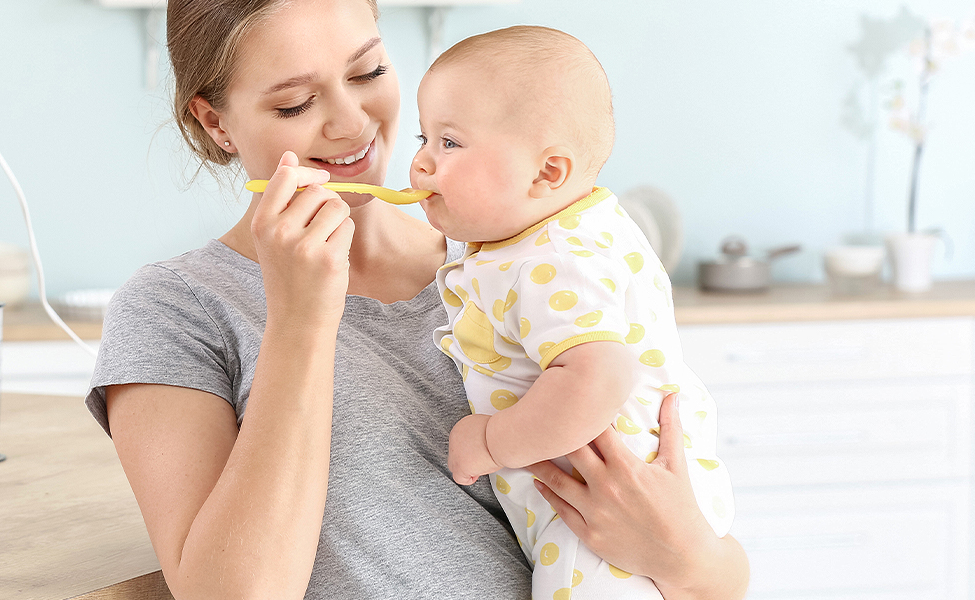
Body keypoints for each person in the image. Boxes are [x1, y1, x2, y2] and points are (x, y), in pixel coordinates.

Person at [84, 1, 750, 598]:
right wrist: (300, 317)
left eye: (368, 71)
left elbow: (718, 573)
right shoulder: (177, 309)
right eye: (294, 104)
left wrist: (686, 556)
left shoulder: (525, 266)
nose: (351, 123)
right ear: (215, 121)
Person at [411, 26, 735, 599]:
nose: (421, 164)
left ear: (547, 174)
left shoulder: (555, 260)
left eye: (450, 143)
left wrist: (490, 441)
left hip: (608, 505)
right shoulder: (566, 228)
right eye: (424, 139)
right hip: (636, 501)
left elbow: (600, 377)